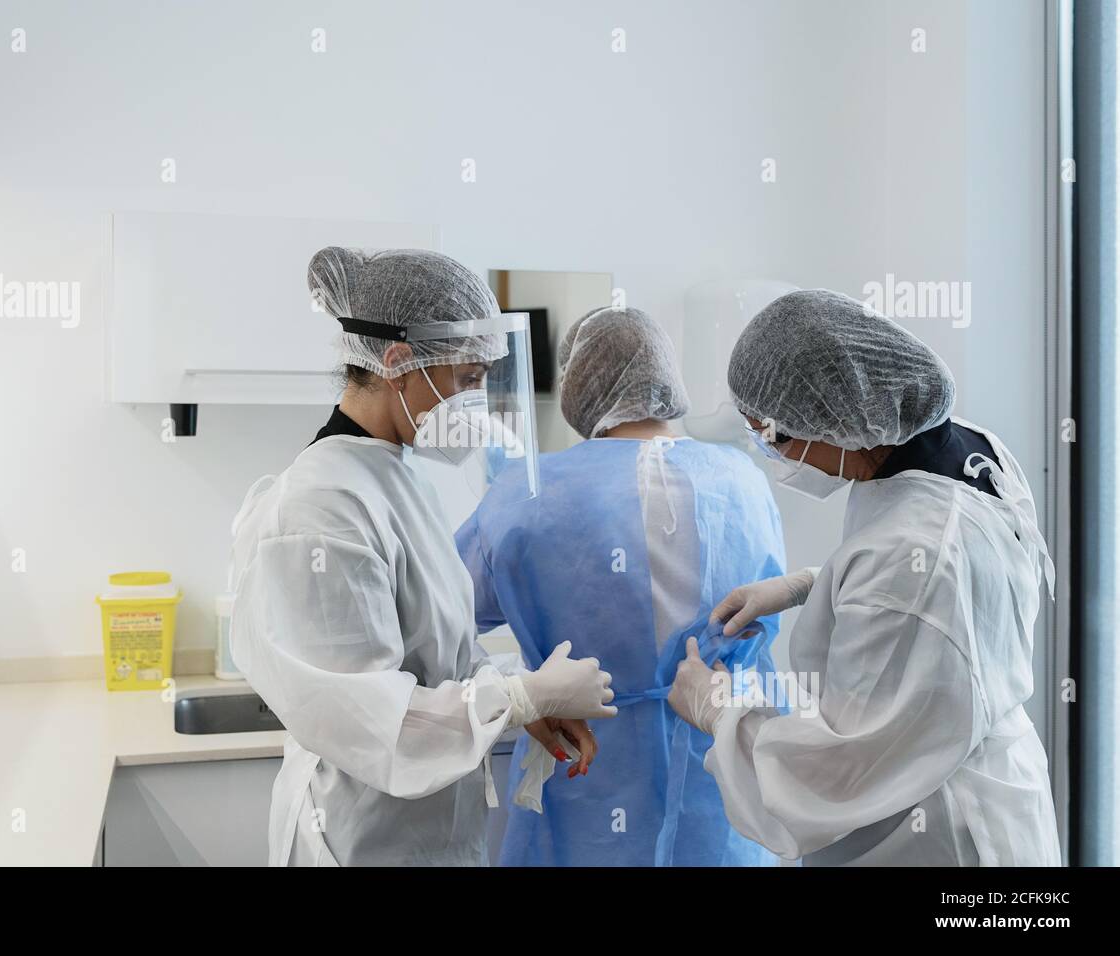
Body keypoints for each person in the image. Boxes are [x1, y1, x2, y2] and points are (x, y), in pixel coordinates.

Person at [228, 247, 616, 867]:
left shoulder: (396, 477)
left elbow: (440, 658)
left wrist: (516, 708)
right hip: (357, 840)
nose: (475, 403)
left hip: (424, 833)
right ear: (399, 362)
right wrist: (516, 699)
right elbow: (366, 714)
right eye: (466, 380)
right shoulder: (319, 507)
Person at [669, 288, 1061, 866]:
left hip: (937, 830)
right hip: (992, 784)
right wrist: (814, 583)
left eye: (776, 436)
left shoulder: (912, 557)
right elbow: (960, 585)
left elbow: (834, 775)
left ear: (841, 418)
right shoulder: (962, 447)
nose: (773, 455)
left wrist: (718, 713)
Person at [456, 306, 785, 866]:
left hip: (587, 773)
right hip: (725, 769)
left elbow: (444, 621)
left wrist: (519, 691)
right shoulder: (741, 480)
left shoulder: (529, 493)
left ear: (577, 387)